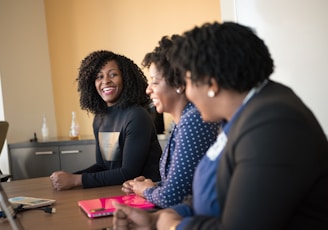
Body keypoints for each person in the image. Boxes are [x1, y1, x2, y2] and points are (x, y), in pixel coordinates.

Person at [112, 22, 328, 230]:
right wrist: (158, 218)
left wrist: (172, 225)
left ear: (211, 84)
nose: (186, 93)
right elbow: (219, 193)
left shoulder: (273, 124)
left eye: (187, 82)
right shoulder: (243, 114)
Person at [121, 35, 219, 208]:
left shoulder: (193, 120)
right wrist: (150, 186)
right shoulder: (182, 121)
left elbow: (172, 198)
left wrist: (145, 191)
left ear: (179, 84)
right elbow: (185, 186)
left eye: (155, 82)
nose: (148, 89)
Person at [50, 50, 162, 190]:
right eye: (99, 77)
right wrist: (70, 177)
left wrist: (76, 180)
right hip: (114, 190)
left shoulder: (136, 116)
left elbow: (128, 172)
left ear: (125, 78)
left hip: (145, 195)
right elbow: (102, 166)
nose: (105, 81)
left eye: (113, 74)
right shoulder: (99, 118)